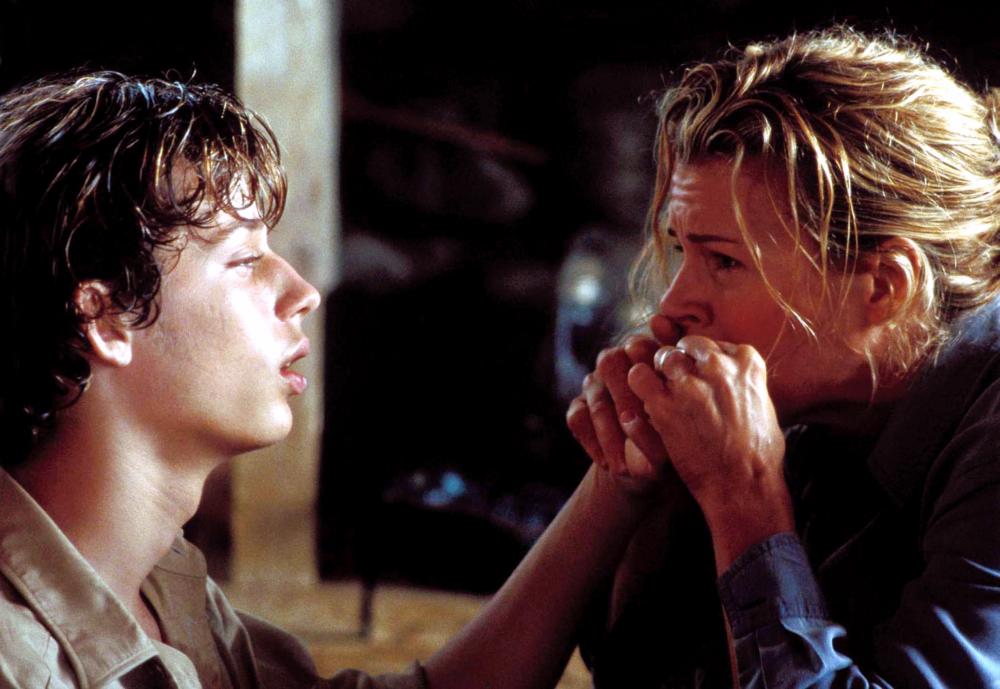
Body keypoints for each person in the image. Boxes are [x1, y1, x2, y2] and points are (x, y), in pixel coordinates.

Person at [0, 71, 652, 689]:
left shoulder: (161, 591)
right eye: (244, 260)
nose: (303, 293)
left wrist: (613, 484)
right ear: (107, 317)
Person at [567, 26, 1000, 687]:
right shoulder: (817, 405)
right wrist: (653, 494)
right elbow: (640, 670)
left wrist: (744, 498)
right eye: (682, 250)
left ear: (885, 287)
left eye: (724, 261)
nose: (669, 311)